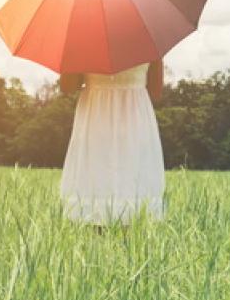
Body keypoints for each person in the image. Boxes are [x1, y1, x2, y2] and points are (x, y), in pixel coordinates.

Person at [58, 59, 165, 226]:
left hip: (95, 114)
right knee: (133, 171)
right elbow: (156, 90)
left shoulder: (82, 37)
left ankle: (93, 225)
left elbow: (68, 87)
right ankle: (131, 227)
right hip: (134, 113)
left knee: (94, 170)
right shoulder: (150, 38)